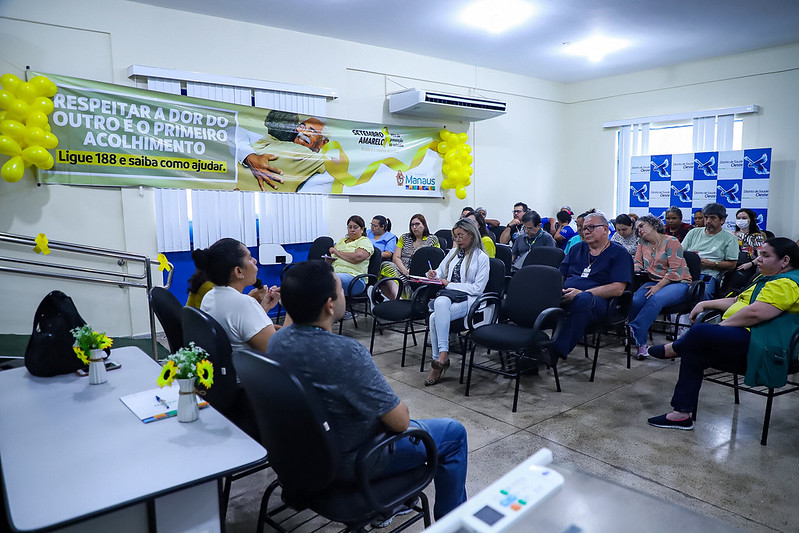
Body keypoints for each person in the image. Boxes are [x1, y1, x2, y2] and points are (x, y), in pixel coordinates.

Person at [269, 260, 468, 520]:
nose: (343, 294)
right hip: (357, 462)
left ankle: (402, 500)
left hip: (302, 458)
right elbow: (400, 422)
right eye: (340, 289)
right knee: (453, 433)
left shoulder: (277, 342)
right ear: (330, 305)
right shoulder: (346, 353)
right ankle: (453, 524)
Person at [647, 238, 799, 430]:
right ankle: (681, 415)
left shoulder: (787, 283)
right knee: (695, 350)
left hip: (764, 345)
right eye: (759, 254)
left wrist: (721, 327)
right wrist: (704, 304)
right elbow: (739, 300)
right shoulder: (767, 278)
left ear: (785, 260)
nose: (758, 259)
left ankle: (674, 348)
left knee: (701, 332)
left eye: (765, 256)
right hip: (743, 338)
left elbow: (756, 313)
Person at [555, 213, 632, 358]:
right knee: (539, 293)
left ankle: (555, 351)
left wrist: (582, 292)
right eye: (584, 228)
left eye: (591, 227)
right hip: (568, 294)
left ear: (605, 229)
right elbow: (560, 274)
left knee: (583, 300)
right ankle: (529, 346)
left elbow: (618, 288)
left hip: (601, 302)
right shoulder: (577, 249)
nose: (586, 231)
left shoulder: (619, 253)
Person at [424, 219, 490, 386]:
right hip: (450, 297)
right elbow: (440, 271)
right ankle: (443, 354)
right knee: (439, 306)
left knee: (434, 317)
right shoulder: (453, 253)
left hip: (470, 300)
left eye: (461, 235)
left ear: (472, 234)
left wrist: (450, 284)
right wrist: (433, 274)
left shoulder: (481, 257)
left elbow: (477, 288)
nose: (458, 239)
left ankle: (438, 363)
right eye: (455, 236)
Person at [193, 238, 285, 351]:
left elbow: (245, 327)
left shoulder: (210, 296)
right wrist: (291, 305)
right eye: (250, 258)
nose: (255, 261)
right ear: (238, 271)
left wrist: (264, 308)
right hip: (250, 367)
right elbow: (279, 350)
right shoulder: (244, 303)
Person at [630, 215, 692, 359]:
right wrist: (634, 268)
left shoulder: (671, 241)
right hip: (654, 280)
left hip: (678, 282)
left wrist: (658, 287)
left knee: (655, 299)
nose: (639, 230)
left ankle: (634, 329)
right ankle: (641, 345)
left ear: (653, 225)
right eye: (637, 228)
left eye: (641, 226)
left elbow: (675, 270)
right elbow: (638, 262)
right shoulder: (642, 243)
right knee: (635, 300)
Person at [680, 203, 739, 299]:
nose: (708, 221)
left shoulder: (730, 238)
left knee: (702, 292)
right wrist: (690, 257)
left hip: (709, 274)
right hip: (687, 273)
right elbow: (679, 253)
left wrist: (711, 264)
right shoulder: (693, 232)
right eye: (706, 217)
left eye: (713, 218)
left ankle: (701, 312)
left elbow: (732, 264)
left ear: (722, 220)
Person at [380, 214, 440, 299]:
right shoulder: (404, 237)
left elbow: (435, 259)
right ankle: (397, 298)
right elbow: (396, 257)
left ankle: (396, 299)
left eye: (417, 224)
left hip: (420, 272)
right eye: (412, 225)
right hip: (401, 270)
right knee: (386, 265)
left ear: (424, 225)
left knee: (387, 279)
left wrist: (413, 271)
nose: (414, 227)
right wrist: (404, 270)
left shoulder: (432, 239)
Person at [329, 215, 374, 297]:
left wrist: (338, 252)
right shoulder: (342, 241)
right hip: (336, 273)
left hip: (355, 279)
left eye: (355, 227)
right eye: (350, 227)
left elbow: (358, 257)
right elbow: (334, 257)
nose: (352, 230)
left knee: (330, 279)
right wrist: (329, 261)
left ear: (362, 229)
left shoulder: (364, 241)